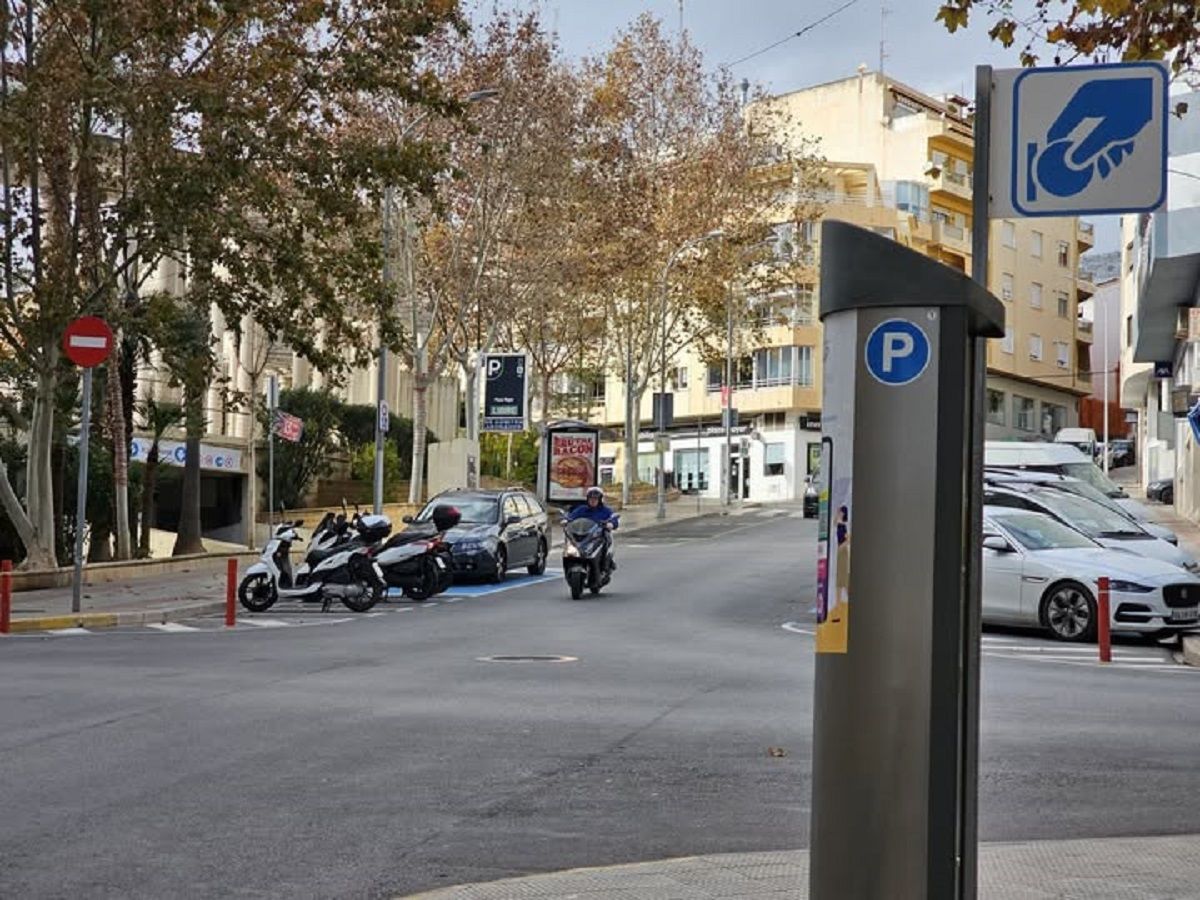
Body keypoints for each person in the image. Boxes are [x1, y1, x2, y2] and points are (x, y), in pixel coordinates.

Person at [566, 486, 619, 568]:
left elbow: (613, 518)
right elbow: (571, 517)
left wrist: (611, 524)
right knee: (570, 542)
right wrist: (566, 520)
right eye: (591, 498)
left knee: (607, 539)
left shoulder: (605, 510)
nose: (593, 501)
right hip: (584, 535)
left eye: (595, 499)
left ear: (600, 499)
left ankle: (606, 561)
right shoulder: (582, 509)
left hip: (598, 536)